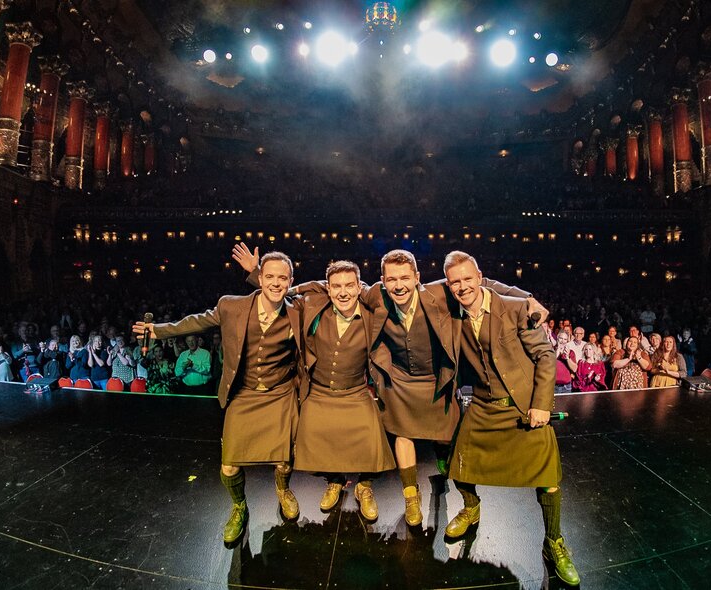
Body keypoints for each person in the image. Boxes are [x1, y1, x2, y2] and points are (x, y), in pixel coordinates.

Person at [233, 243, 544, 526]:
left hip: (436, 381)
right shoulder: (374, 295)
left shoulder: (438, 293)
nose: (399, 285)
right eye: (391, 279)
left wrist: (527, 298)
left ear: (417, 277)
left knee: (448, 445)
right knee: (403, 437)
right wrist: (257, 273)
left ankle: (466, 500)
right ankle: (411, 498)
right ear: (381, 281)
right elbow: (307, 289)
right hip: (400, 383)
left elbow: (481, 283)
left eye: (405, 278)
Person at [132, 251, 303, 544]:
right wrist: (158, 331)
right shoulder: (231, 306)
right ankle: (239, 507)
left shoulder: (299, 311)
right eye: (269, 276)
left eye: (283, 278)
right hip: (245, 394)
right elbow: (197, 322)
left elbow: (325, 290)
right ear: (260, 279)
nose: (276, 283)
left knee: (285, 460)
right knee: (229, 465)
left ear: (291, 281)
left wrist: (254, 270)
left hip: (280, 394)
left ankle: (283, 490)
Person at [441, 251, 579, 587]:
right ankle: (471, 508)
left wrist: (541, 404)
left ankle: (554, 543)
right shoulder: (451, 315)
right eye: (455, 282)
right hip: (484, 406)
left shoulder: (516, 308)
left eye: (467, 279)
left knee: (547, 478)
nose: (462, 286)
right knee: (459, 463)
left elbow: (545, 356)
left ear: (480, 277)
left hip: (523, 407)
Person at [290, 260, 396, 520]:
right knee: (314, 436)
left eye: (350, 285)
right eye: (336, 286)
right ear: (328, 289)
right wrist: (255, 273)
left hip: (356, 390)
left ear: (360, 287)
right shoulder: (314, 307)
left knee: (373, 439)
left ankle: (364, 487)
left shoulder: (373, 315)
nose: (343, 292)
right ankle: (334, 481)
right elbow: (280, 295)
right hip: (319, 391)